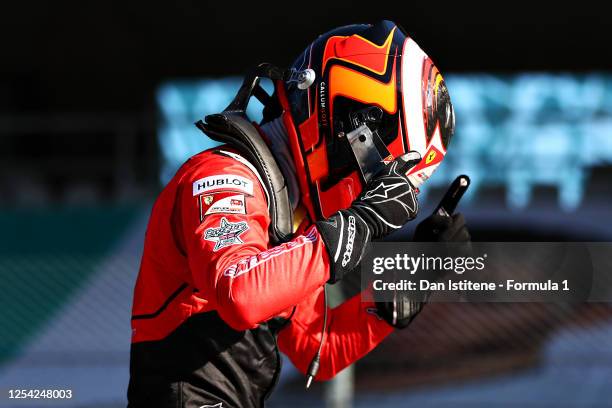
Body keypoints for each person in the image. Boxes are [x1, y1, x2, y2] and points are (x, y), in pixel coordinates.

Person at [128, 20, 469, 408]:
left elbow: (316, 349)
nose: (379, 187)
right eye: (380, 167)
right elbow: (240, 294)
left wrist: (408, 283)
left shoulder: (291, 220)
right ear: (348, 128)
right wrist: (360, 221)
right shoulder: (222, 175)